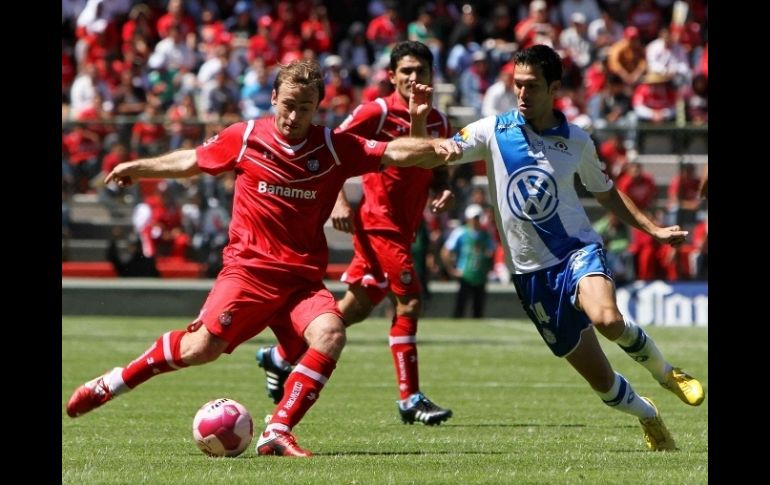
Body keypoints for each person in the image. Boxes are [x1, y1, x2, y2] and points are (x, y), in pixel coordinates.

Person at [64, 60, 462, 457]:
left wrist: (437, 146)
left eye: (305, 107)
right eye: (288, 104)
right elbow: (192, 160)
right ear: (273, 98)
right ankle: (112, 383)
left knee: (331, 333)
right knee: (200, 349)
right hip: (248, 274)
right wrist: (139, 168)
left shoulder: (334, 147)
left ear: (317, 108)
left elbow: (394, 151)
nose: (294, 115)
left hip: (301, 284)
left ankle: (277, 430)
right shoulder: (247, 136)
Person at [442, 45, 705, 451]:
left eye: (532, 86)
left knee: (606, 318)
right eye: (517, 85)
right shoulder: (492, 130)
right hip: (530, 276)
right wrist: (438, 176)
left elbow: (606, 193)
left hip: (576, 251)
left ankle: (668, 373)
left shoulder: (576, 141)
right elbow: (443, 152)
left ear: (555, 88)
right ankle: (648, 415)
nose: (522, 94)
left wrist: (651, 228)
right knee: (602, 383)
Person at [255, 41, 455, 426]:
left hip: (405, 226)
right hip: (379, 222)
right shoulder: (376, 111)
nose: (414, 78)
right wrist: (338, 201)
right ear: (392, 75)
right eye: (406, 71)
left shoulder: (438, 121)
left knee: (360, 304)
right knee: (409, 301)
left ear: (432, 75)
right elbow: (331, 147)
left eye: (421, 71)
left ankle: (280, 357)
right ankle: (410, 397)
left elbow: (431, 160)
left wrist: (442, 186)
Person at [441, 203, 496, 318]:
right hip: (465, 276)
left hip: (480, 276)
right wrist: (451, 270)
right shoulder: (460, 232)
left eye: (477, 218)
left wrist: (489, 269)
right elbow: (446, 251)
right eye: (474, 218)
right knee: (460, 307)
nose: (475, 221)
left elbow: (492, 252)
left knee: (478, 310)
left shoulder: (486, 235)